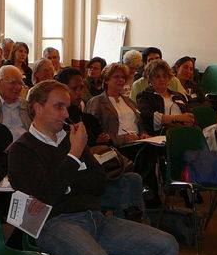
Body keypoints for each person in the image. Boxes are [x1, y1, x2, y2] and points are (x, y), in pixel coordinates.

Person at [7, 80, 178, 255]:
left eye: (67, 106)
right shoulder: (22, 150)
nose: (66, 113)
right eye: (58, 106)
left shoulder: (70, 140)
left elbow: (99, 183)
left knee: (165, 246)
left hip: (93, 218)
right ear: (37, 108)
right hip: (53, 224)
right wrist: (74, 157)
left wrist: (66, 180)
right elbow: (45, 195)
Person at [56, 67, 145, 220]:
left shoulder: (86, 118)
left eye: (81, 88)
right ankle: (129, 218)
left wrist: (97, 142)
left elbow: (106, 141)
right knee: (125, 188)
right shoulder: (58, 120)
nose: (79, 92)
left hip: (100, 166)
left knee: (134, 178)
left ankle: (131, 217)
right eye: (74, 88)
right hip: (79, 174)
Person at [86, 63, 161, 207]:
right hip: (116, 146)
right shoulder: (97, 102)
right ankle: (147, 194)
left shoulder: (128, 101)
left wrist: (144, 133)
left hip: (136, 141)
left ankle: (145, 192)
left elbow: (139, 122)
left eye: (123, 77)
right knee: (147, 154)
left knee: (153, 149)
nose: (120, 80)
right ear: (107, 80)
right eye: (116, 77)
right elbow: (95, 130)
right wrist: (122, 139)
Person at [135, 59, 195, 135]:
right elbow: (150, 117)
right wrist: (177, 118)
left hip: (184, 131)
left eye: (164, 76)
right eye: (157, 76)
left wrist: (189, 121)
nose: (162, 79)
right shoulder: (144, 96)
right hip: (161, 135)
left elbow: (189, 116)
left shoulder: (179, 96)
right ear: (150, 79)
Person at [0, 65, 31, 142]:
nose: (17, 87)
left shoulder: (27, 107)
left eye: (20, 83)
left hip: (26, 150)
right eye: (13, 83)